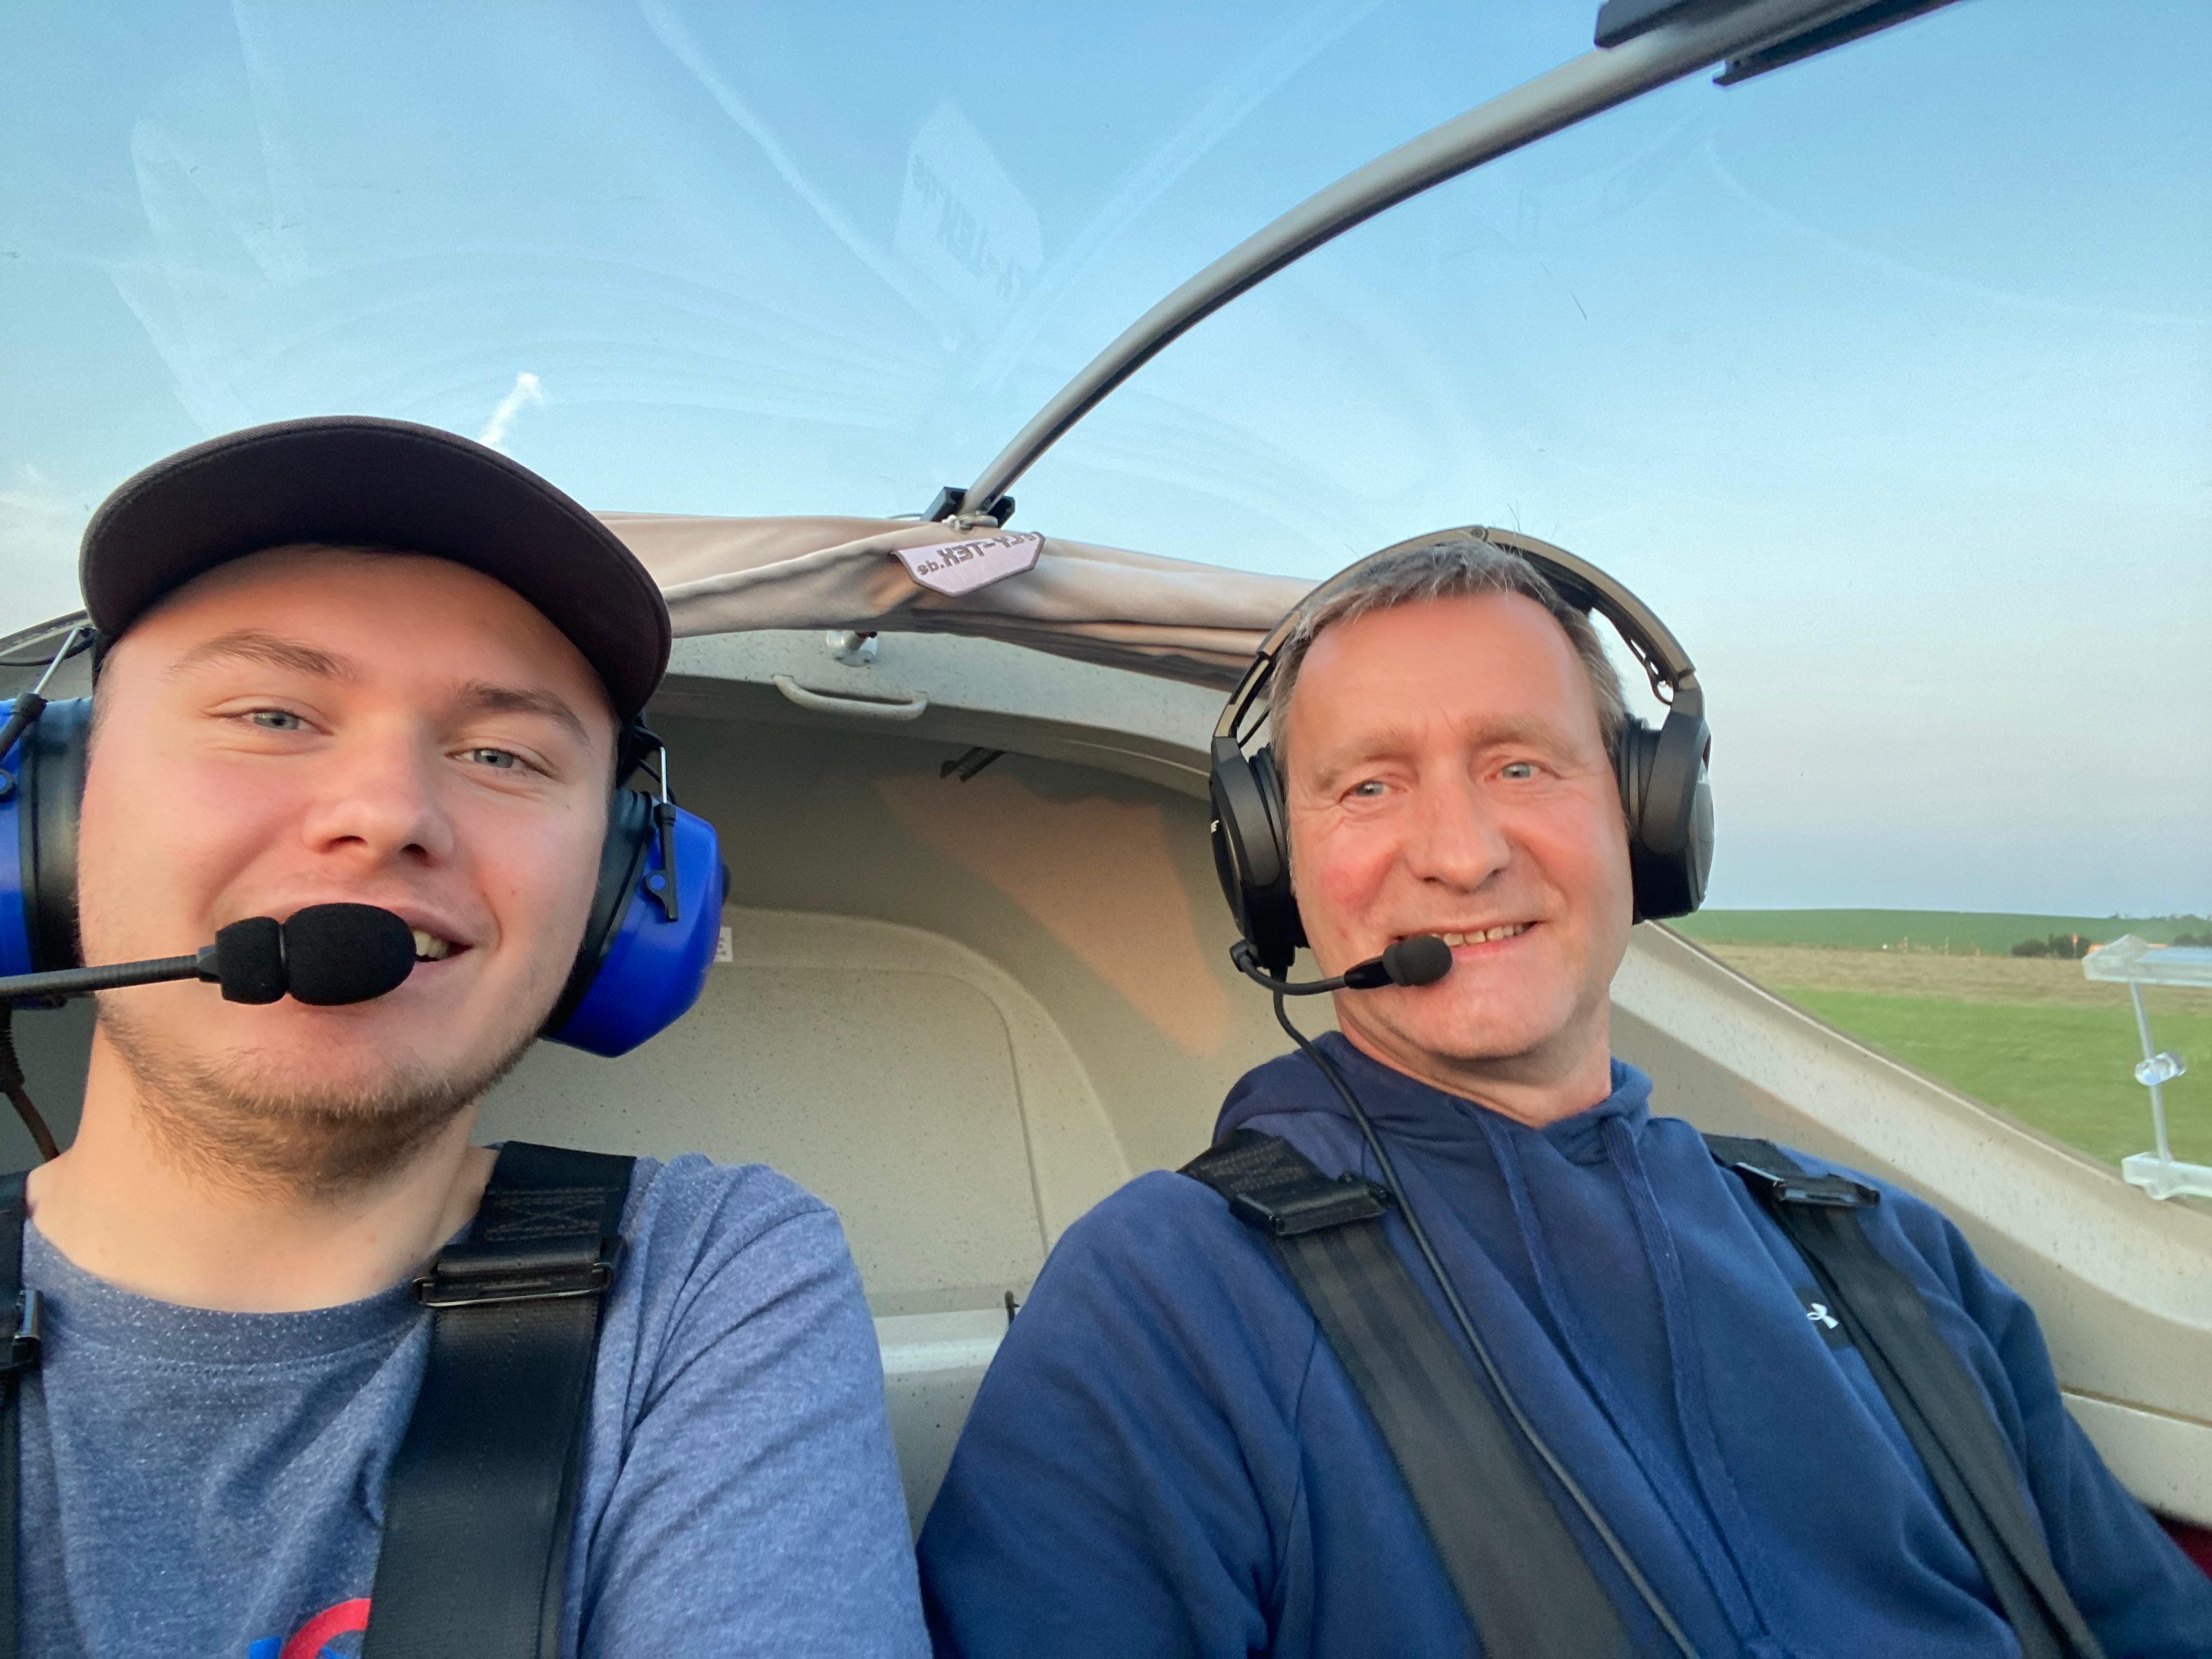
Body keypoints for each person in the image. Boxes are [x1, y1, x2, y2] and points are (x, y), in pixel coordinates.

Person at [917, 535, 2212, 1656]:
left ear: (1647, 821)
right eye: (1369, 785)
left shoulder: (1881, 1250)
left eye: (1522, 767)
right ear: (1273, 871)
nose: (1463, 853)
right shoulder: (1166, 1304)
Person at [7, 417, 927, 1657]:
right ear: (52, 815)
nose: (389, 816)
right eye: (274, 714)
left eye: (501, 752)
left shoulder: (706, 1279)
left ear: (617, 894)